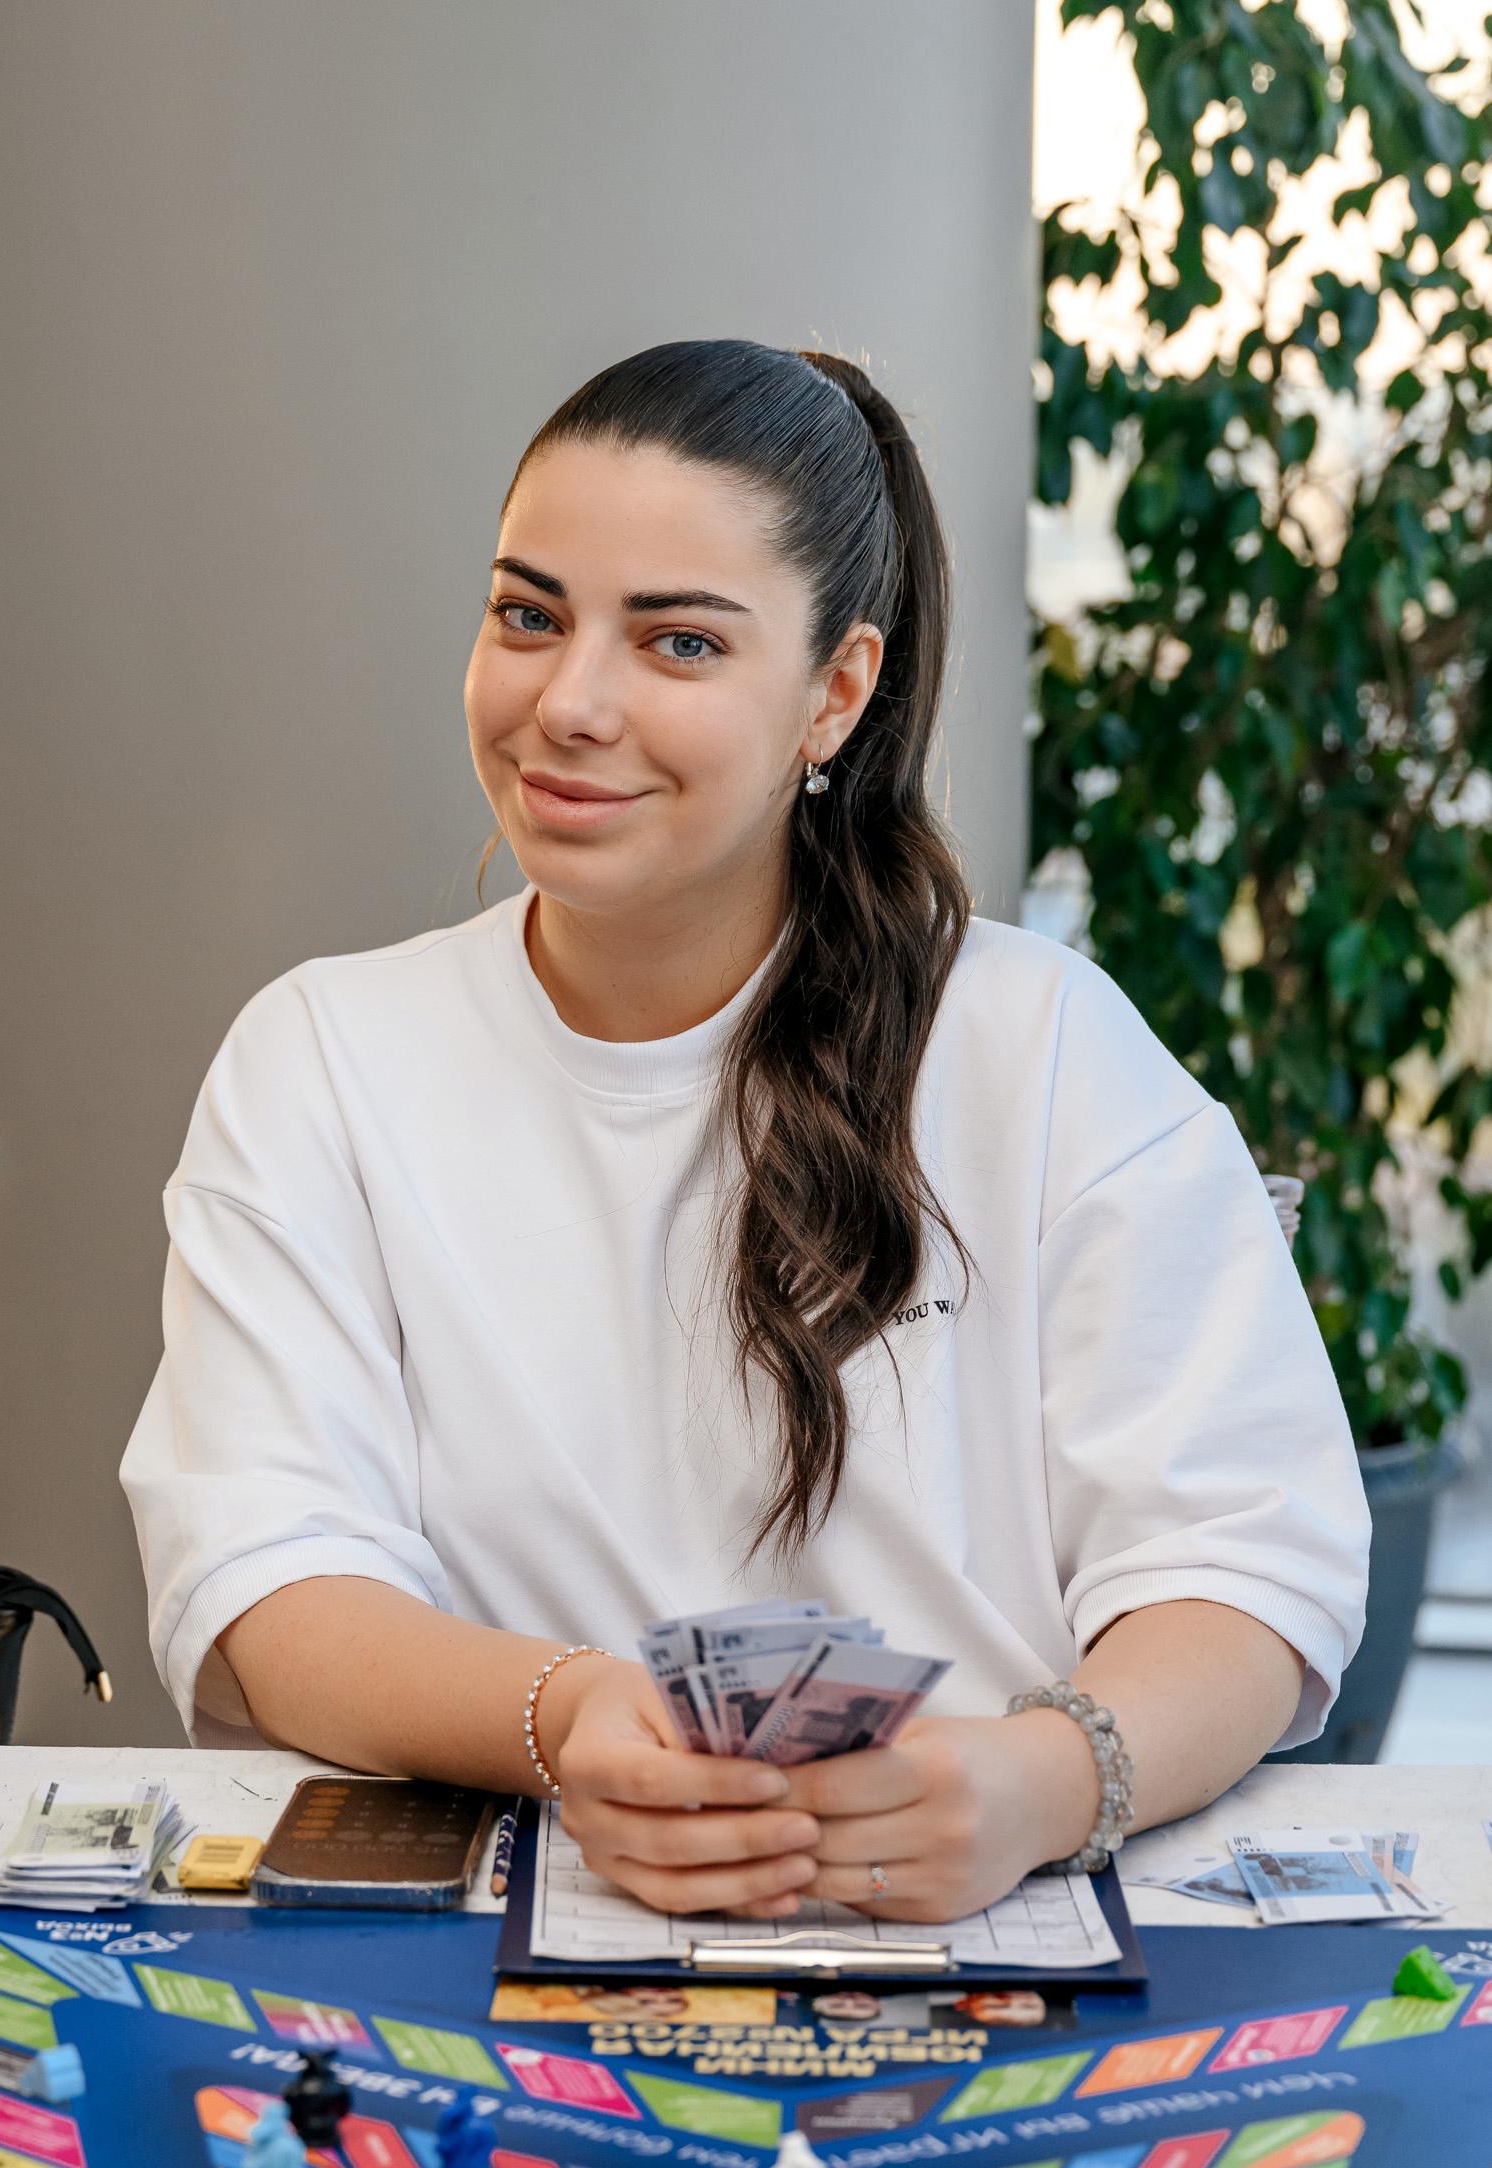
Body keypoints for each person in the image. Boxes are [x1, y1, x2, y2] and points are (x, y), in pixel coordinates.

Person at [120, 338, 1372, 1929]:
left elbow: (1245, 1564)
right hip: (504, 1942)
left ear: (834, 692)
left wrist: (1042, 1780)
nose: (570, 704)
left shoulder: (1042, 1047)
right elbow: (266, 1574)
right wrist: (570, 1715)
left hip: (988, 1929)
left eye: (681, 643)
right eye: (528, 616)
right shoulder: (322, 1060)